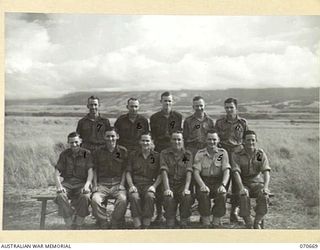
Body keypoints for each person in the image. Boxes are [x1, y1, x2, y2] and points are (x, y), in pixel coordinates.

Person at [150, 91, 183, 223]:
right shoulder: (154, 118)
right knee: (160, 182)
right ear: (161, 102)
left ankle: (174, 213)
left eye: (169, 101)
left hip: (175, 151)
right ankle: (159, 213)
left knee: (176, 178)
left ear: (172, 102)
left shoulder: (178, 117)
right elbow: (152, 136)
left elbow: (179, 135)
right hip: (159, 151)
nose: (167, 103)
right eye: (165, 101)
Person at [215, 97, 249, 223]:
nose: (229, 110)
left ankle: (234, 211)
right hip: (223, 154)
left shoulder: (243, 123)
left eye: (231, 107)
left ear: (236, 108)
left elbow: (246, 140)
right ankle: (219, 211)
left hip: (237, 155)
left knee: (237, 184)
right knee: (222, 182)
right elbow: (215, 140)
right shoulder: (219, 123)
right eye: (227, 107)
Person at [231, 130, 271, 229]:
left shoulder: (259, 154)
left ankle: (257, 220)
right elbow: (236, 172)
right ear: (243, 141)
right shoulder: (237, 154)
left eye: (253, 140)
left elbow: (266, 171)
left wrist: (266, 187)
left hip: (257, 182)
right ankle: (248, 220)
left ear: (256, 140)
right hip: (243, 183)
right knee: (244, 195)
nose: (250, 143)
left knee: (264, 195)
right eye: (248, 140)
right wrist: (241, 188)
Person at [54, 132, 93, 229]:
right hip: (67, 183)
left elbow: (90, 171)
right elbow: (57, 171)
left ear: (80, 141)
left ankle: (79, 223)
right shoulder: (64, 154)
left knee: (85, 196)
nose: (74, 145)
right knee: (60, 196)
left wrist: (87, 185)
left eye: (76, 142)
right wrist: (59, 186)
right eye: (71, 143)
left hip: (82, 184)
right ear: (68, 142)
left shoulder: (86, 153)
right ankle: (69, 223)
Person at [91, 128, 128, 229]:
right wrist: (94, 185)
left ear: (117, 136)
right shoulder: (98, 152)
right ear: (104, 137)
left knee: (123, 199)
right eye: (108, 136)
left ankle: (115, 222)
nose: (110, 138)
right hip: (102, 184)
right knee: (95, 200)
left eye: (113, 136)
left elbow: (125, 169)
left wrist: (122, 184)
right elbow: (94, 170)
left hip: (117, 183)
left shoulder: (123, 151)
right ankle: (103, 222)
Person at [193, 131, 230, 228]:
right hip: (204, 181)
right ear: (205, 140)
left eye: (214, 139)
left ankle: (216, 220)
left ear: (218, 140)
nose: (212, 142)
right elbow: (196, 172)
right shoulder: (200, 154)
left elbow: (226, 171)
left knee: (222, 194)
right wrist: (202, 185)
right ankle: (206, 220)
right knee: (203, 194)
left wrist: (223, 185)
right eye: (209, 139)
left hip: (218, 181)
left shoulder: (222, 153)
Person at [126, 133, 162, 229]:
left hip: (149, 184)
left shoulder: (157, 156)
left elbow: (160, 174)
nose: (145, 143)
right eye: (143, 140)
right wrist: (131, 185)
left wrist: (154, 186)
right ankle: (137, 225)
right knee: (134, 197)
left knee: (150, 196)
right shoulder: (133, 155)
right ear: (139, 142)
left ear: (151, 142)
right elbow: (128, 172)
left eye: (147, 141)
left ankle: (146, 224)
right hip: (136, 183)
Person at [160, 131, 193, 228]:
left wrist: (186, 188)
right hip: (169, 183)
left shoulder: (186, 154)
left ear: (182, 141)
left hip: (182, 184)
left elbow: (188, 171)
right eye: (174, 139)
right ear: (170, 140)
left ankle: (184, 219)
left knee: (186, 196)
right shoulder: (164, 153)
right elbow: (164, 171)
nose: (176, 141)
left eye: (179, 139)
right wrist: (167, 189)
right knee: (168, 197)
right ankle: (170, 219)